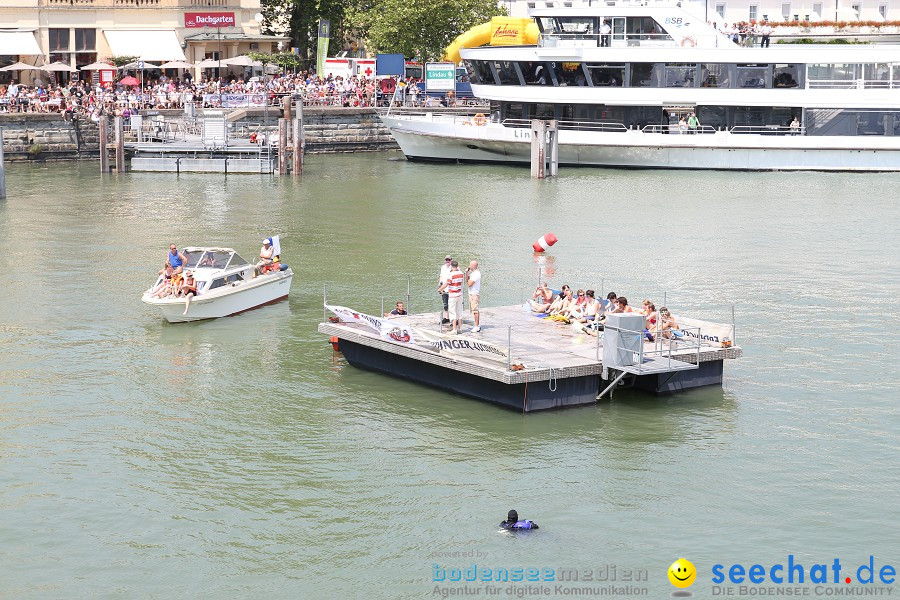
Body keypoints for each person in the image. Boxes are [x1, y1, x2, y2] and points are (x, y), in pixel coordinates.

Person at [438, 260, 465, 334]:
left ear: (452, 266)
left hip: (453, 295)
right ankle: (460, 328)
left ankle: (454, 329)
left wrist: (440, 289)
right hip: (459, 294)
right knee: (459, 312)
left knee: (452, 312)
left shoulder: (451, 274)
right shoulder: (461, 273)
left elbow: (446, 284)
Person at [466, 260, 482, 333]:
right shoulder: (473, 273)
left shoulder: (476, 274)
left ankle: (477, 326)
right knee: (473, 310)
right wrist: (467, 273)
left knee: (475, 310)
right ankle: (476, 325)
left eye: (470, 265)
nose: (469, 266)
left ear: (474, 266)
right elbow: (467, 281)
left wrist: (469, 280)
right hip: (471, 293)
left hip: (474, 294)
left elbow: (469, 284)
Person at [438, 255, 453, 324]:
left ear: (451, 260)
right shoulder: (443, 267)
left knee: (452, 304)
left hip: (451, 288)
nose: (447, 261)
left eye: (449, 260)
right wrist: (440, 284)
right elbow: (441, 276)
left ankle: (452, 319)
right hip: (444, 287)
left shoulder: (454, 267)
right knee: (445, 303)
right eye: (446, 260)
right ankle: (447, 317)